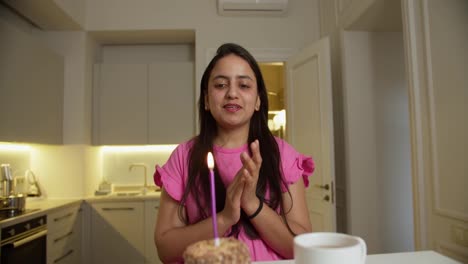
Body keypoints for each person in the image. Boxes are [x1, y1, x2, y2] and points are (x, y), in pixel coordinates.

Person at [153, 43, 314, 263]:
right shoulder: (184, 157)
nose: (232, 93)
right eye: (220, 85)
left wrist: (252, 203)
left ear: (258, 100)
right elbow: (165, 249)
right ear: (207, 99)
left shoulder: (282, 154)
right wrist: (224, 218)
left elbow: (301, 248)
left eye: (244, 85)